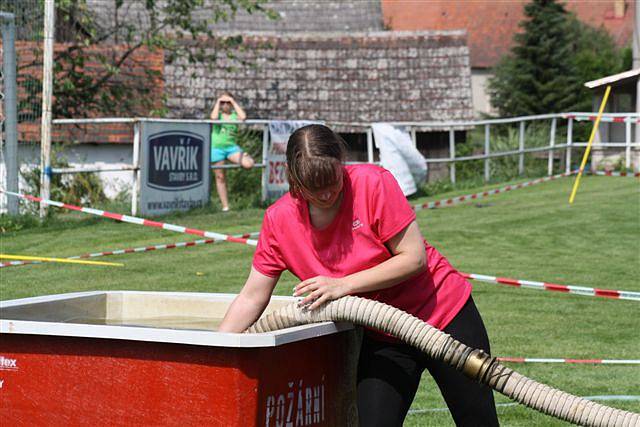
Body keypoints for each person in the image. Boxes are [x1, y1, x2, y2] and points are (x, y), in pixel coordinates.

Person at [219, 124, 498, 426]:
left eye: (333, 181)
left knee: (478, 421)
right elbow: (251, 297)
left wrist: (343, 285)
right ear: (293, 178)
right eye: (314, 187)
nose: (327, 193)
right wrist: (215, 354)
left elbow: (414, 259)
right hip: (385, 336)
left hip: (444, 316)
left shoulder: (373, 183)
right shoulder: (278, 220)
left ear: (342, 163)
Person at [209, 92, 254, 211]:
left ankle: (245, 154)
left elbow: (243, 117)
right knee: (220, 176)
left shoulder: (234, 115)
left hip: (231, 148)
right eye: (222, 102)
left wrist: (233, 102)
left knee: (248, 164)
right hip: (216, 149)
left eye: (227, 102)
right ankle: (225, 206)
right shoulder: (217, 115)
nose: (225, 105)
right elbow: (212, 118)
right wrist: (218, 102)